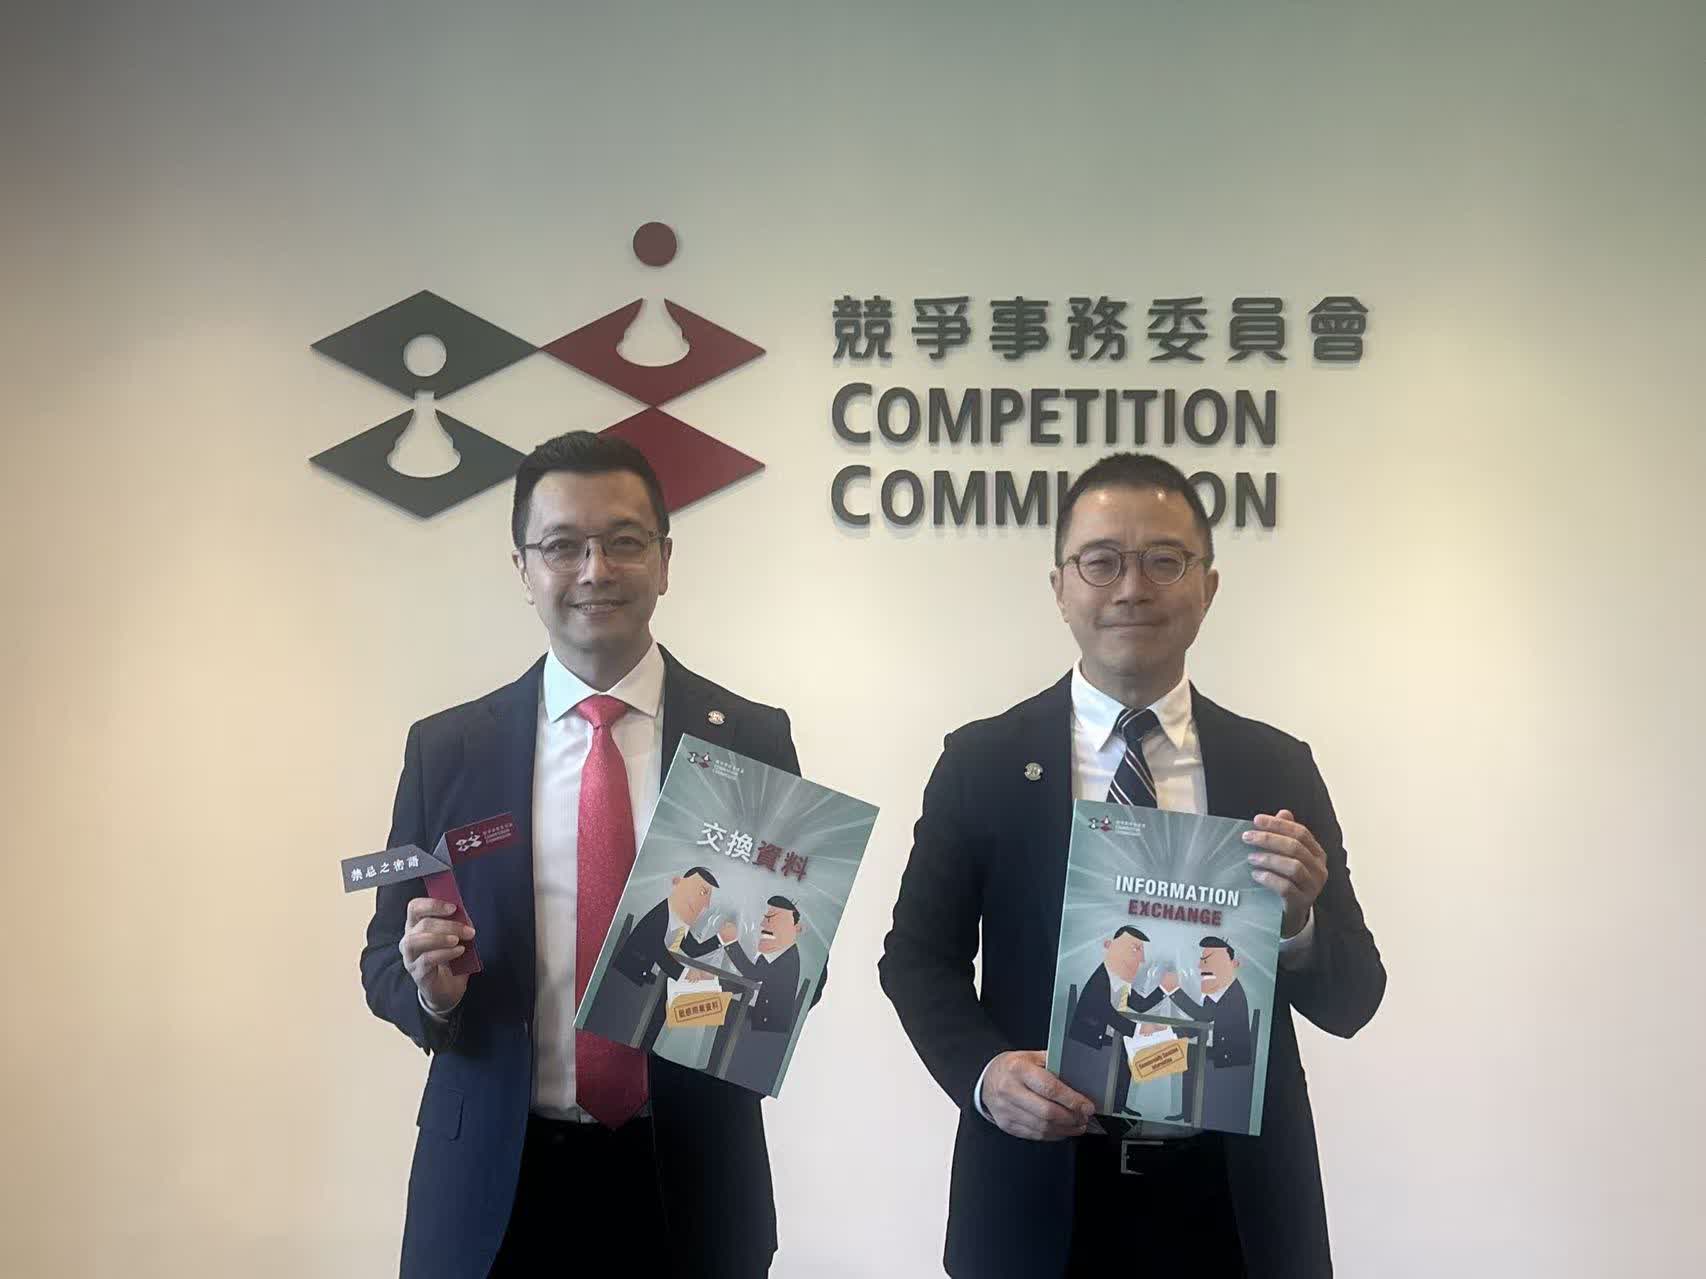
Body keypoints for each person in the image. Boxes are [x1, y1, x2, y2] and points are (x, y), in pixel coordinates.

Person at [879, 451, 1386, 1278]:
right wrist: (985, 1072)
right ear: (1060, 586)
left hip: (1236, 1209)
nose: (1131, 588)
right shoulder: (982, 760)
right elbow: (915, 958)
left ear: (1208, 586)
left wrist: (1297, 922)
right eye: (1101, 561)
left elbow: (1355, 995)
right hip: (1040, 1198)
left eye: (1164, 561)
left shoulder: (1277, 766)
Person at [360, 430, 799, 1278]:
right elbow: (384, 954)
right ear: (523, 569)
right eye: (563, 546)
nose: (595, 569)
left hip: (689, 1182)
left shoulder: (749, 739)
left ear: (665, 560)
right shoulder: (449, 750)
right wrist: (432, 993)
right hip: (493, 1187)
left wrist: (753, 982)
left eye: (624, 541)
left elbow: (788, 955)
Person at [719, 896, 808, 1092]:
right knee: (723, 1007)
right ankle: (716, 1066)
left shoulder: (785, 957)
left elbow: (751, 975)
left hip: (765, 1028)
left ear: (795, 927)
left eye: (770, 919)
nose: (762, 924)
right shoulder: (777, 952)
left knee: (723, 1012)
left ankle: (719, 1068)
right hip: (763, 1017)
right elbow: (751, 979)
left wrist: (730, 942)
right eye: (765, 918)